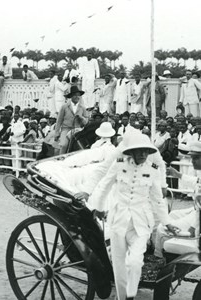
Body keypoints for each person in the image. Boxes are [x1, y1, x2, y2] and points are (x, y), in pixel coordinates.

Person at [87, 132, 177, 300]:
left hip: (141, 223)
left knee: (134, 262)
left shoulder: (152, 170)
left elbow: (158, 200)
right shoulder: (119, 165)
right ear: (131, 152)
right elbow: (104, 185)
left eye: (146, 151)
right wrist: (98, 207)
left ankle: (130, 294)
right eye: (139, 151)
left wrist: (167, 222)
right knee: (119, 265)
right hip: (118, 221)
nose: (143, 154)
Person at [55, 86, 88, 154]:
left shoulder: (82, 107)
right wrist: (57, 132)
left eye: (78, 95)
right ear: (71, 96)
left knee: (83, 146)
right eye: (75, 95)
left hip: (78, 130)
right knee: (64, 145)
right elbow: (59, 121)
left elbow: (86, 121)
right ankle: (61, 159)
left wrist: (81, 118)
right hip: (66, 129)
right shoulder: (64, 106)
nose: (77, 97)